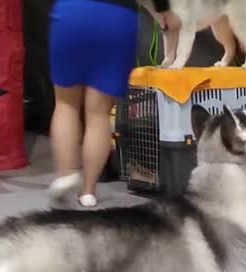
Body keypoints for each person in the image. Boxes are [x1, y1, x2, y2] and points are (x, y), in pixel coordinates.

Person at [46, 0, 172, 207]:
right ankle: (88, 191)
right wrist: (162, 12)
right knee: (99, 114)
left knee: (65, 104)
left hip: (71, 12)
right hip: (116, 17)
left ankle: (65, 174)